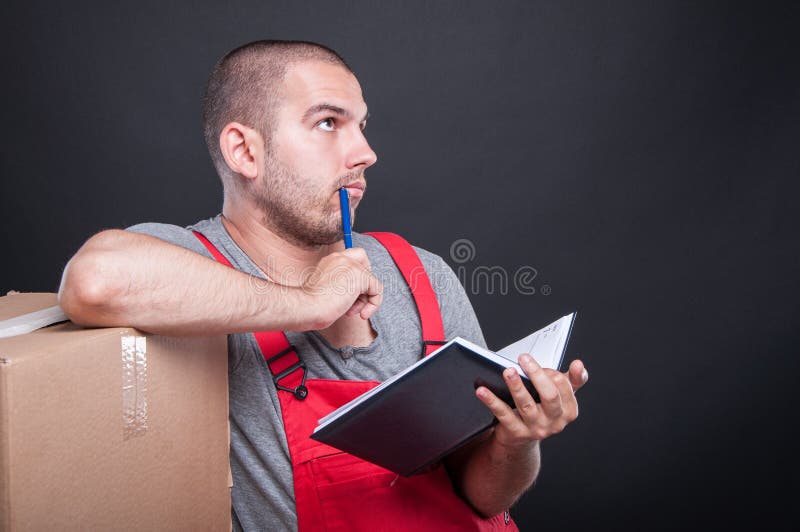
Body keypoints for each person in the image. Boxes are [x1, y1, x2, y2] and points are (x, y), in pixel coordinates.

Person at [58, 40, 589, 531]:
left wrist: (517, 441)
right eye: (329, 123)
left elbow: (483, 497)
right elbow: (94, 280)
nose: (365, 153)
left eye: (362, 125)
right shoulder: (191, 261)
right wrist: (310, 304)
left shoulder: (421, 272)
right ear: (245, 151)